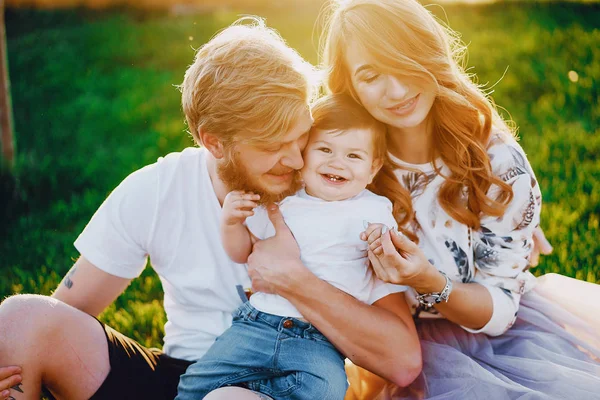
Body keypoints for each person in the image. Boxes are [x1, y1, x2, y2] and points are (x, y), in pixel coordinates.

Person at [0, 18, 421, 400]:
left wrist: (296, 282)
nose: (296, 160)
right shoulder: (157, 189)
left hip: (284, 383)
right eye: (273, 146)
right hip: (186, 377)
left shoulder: (332, 196)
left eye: (301, 137)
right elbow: (64, 316)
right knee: (20, 320)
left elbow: (402, 360)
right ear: (214, 142)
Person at [320, 0, 600, 398]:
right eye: (371, 75)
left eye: (405, 61)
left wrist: (427, 280)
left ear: (432, 54)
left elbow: (500, 313)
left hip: (495, 338)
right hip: (391, 344)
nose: (397, 90)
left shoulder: (499, 165)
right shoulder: (342, 163)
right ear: (349, 87)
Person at [176, 94, 410, 400]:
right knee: (193, 384)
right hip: (257, 325)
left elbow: (390, 259)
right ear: (304, 157)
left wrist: (382, 243)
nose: (336, 162)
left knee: (326, 390)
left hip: (320, 339)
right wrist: (230, 223)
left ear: (373, 167)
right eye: (325, 149)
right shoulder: (283, 203)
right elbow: (243, 252)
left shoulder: (374, 209)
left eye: (354, 156)